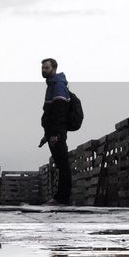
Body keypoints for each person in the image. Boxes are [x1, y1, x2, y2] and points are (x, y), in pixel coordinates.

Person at [40, 57, 72, 205]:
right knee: (61, 164)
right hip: (53, 133)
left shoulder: (58, 85)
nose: (43, 70)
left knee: (63, 164)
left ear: (54, 68)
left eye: (46, 68)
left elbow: (60, 112)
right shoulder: (52, 85)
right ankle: (61, 197)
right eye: (42, 68)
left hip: (57, 133)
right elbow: (50, 113)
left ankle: (62, 198)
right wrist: (47, 135)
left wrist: (55, 134)